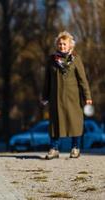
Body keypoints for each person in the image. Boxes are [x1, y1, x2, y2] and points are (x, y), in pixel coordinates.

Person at [42, 31, 92, 159]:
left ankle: (75, 148)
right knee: (54, 124)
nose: (62, 46)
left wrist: (88, 97)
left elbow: (83, 80)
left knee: (75, 122)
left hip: (73, 99)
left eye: (64, 44)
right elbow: (47, 80)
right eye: (60, 44)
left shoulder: (76, 59)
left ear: (70, 45)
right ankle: (54, 149)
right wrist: (45, 96)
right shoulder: (52, 60)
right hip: (56, 99)